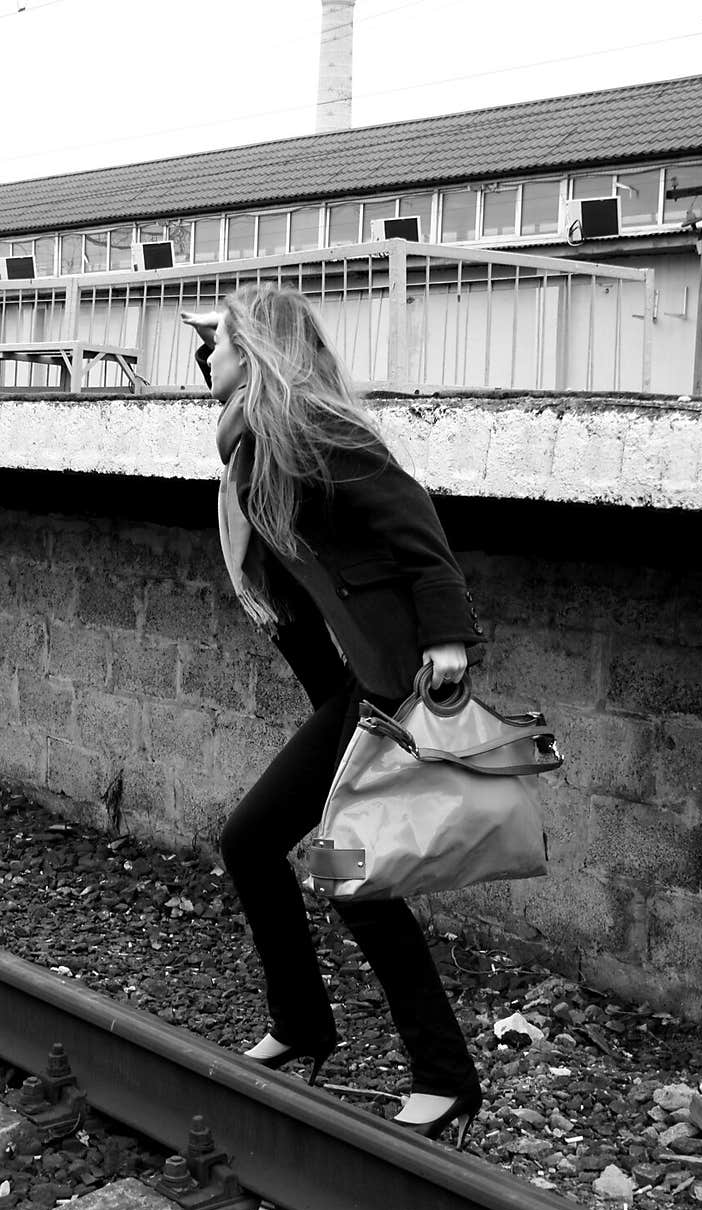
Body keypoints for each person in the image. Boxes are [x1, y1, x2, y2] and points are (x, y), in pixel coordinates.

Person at [182, 286, 486, 1148]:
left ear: (257, 357)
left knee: (342, 870)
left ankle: (443, 1077)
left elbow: (414, 528)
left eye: (221, 347)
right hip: (347, 690)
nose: (207, 361)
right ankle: (310, 1028)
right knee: (287, 853)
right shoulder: (252, 443)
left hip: (389, 682)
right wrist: (226, 332)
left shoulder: (317, 430)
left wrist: (451, 644)